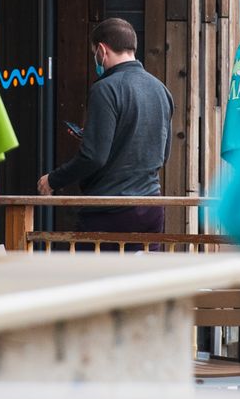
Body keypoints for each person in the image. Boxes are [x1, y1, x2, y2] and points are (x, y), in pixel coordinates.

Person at [39, 18, 172, 239]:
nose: (96, 60)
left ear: (101, 50)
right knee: (145, 273)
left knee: (94, 274)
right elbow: (162, 154)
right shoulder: (161, 90)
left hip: (109, 210)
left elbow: (94, 157)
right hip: (152, 208)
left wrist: (53, 180)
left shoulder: (105, 89)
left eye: (94, 53)